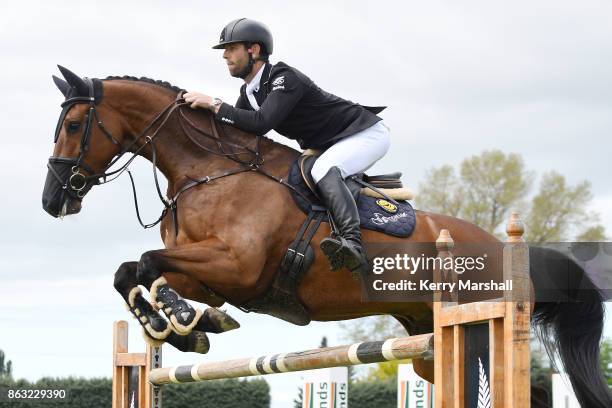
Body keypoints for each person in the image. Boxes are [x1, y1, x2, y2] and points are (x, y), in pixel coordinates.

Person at [184, 18, 391, 275]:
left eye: (231, 48)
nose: (225, 55)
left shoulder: (284, 78)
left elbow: (261, 124)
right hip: (332, 142)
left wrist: (214, 104)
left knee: (323, 170)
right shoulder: (249, 92)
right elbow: (238, 135)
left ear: (254, 50)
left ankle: (352, 243)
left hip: (364, 133)